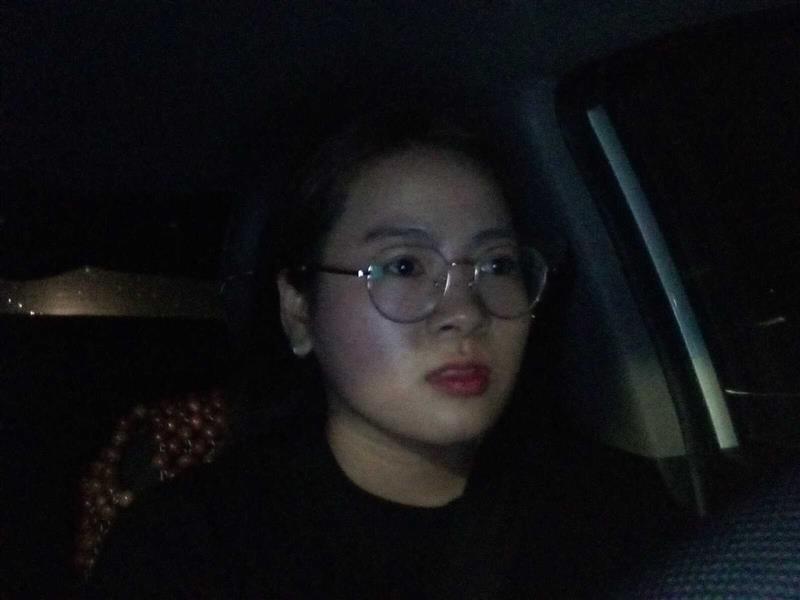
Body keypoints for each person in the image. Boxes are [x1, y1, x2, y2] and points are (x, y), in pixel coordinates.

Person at [84, 104, 642, 598]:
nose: (466, 311)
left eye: (497, 264)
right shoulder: (191, 551)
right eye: (404, 266)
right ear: (299, 311)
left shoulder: (612, 512)